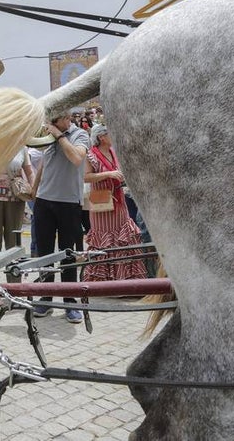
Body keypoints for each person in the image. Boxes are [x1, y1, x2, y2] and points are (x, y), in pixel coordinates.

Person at [28, 112, 91, 323]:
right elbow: (44, 165)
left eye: (60, 119)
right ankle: (45, 299)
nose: (54, 124)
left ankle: (70, 303)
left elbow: (76, 158)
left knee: (68, 253)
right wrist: (34, 190)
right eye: (53, 121)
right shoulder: (50, 138)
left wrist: (59, 136)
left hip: (69, 203)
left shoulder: (79, 135)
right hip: (44, 201)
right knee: (45, 253)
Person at [84, 124, 147, 282]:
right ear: (101, 137)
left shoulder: (113, 152)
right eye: (110, 133)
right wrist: (108, 174)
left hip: (118, 201)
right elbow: (86, 177)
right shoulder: (91, 155)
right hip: (101, 201)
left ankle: (125, 278)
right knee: (105, 238)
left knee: (124, 235)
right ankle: (105, 280)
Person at [0, 147, 34, 251]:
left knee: (13, 241)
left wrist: (33, 190)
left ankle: (13, 265)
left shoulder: (21, 148)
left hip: (15, 197)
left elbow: (29, 172)